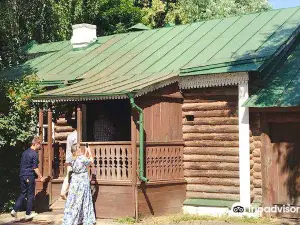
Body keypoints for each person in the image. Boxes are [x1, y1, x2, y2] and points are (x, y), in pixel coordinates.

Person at [10, 136, 44, 220]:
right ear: (36, 143)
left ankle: (14, 210)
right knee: (30, 195)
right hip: (29, 175)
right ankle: (28, 214)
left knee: (23, 193)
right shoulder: (34, 154)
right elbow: (35, 168)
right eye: (40, 144)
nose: (41, 146)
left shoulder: (25, 152)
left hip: (22, 175)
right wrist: (41, 176)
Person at [62, 143, 96, 225]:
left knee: (74, 199)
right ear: (77, 150)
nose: (80, 149)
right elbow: (91, 161)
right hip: (82, 180)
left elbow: (80, 161)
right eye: (79, 148)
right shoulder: (82, 158)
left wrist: (85, 153)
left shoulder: (72, 158)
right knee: (84, 198)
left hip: (75, 180)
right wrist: (89, 151)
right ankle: (86, 219)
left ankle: (71, 219)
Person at [60, 120, 77, 200]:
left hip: (69, 158)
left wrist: (67, 161)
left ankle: (63, 191)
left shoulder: (70, 136)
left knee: (69, 175)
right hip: (75, 159)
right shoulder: (77, 136)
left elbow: (68, 149)